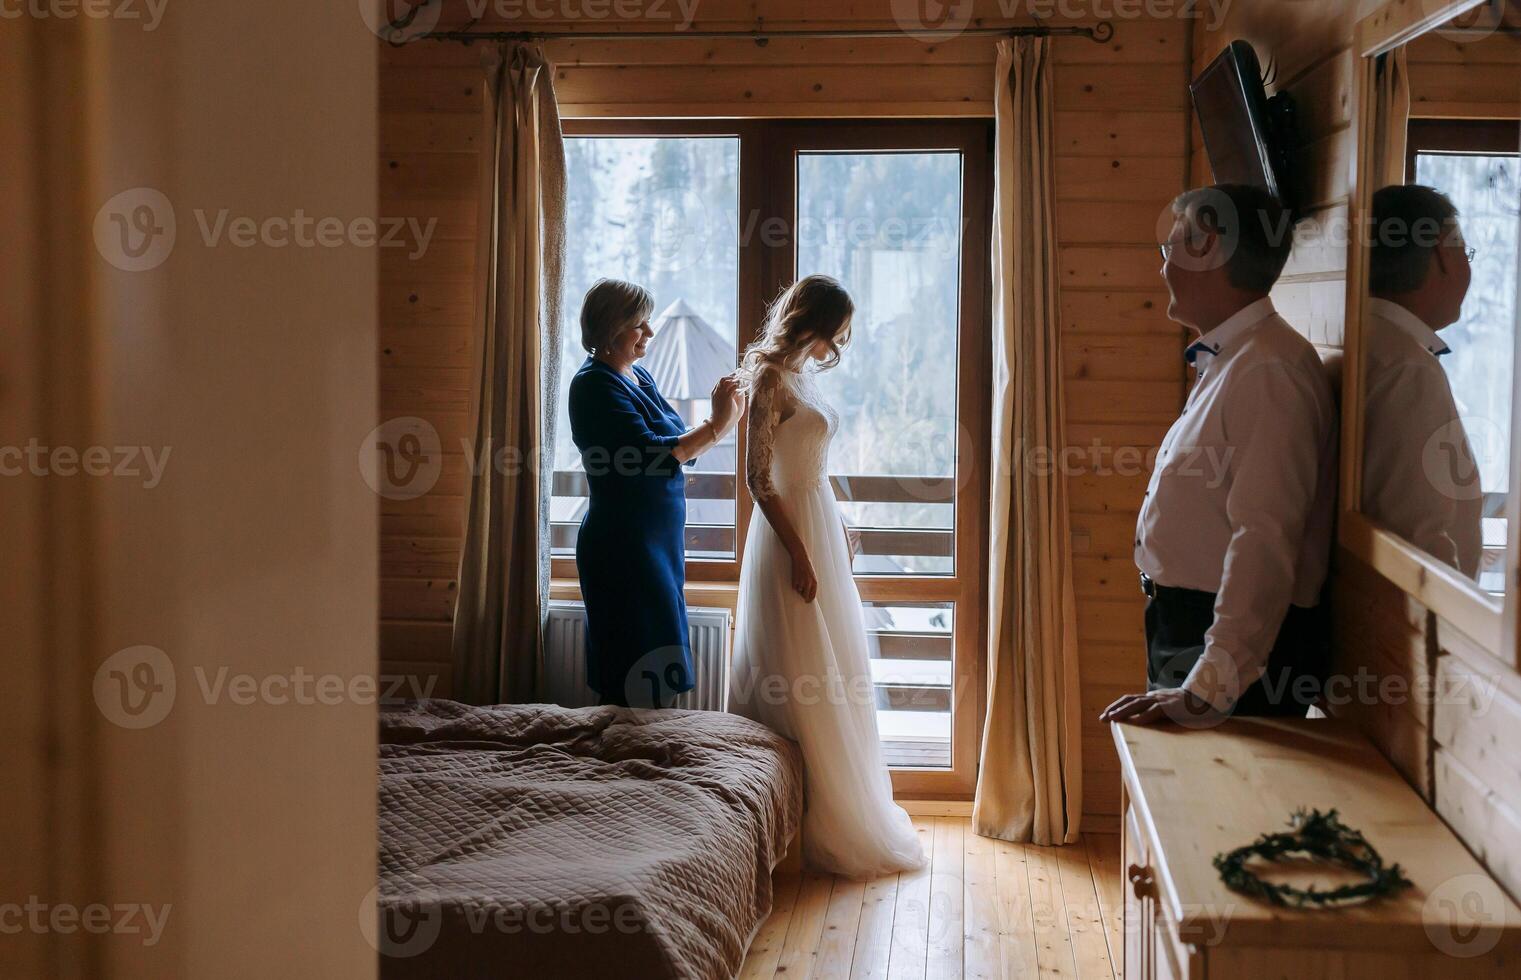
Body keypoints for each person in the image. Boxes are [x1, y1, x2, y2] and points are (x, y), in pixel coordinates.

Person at [1101, 185, 1337, 726]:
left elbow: (1265, 538)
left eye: (1173, 247)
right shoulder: (1236, 359)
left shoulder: (1269, 372)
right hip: (1189, 630)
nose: (1163, 269)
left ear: (1209, 248)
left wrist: (1211, 684)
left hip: (1226, 649)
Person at [728, 275, 926, 878]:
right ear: (818, 320)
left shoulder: (803, 375)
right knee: (798, 666)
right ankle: (785, 820)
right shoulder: (766, 377)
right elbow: (758, 478)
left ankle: (831, 806)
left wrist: (838, 520)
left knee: (832, 664)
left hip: (817, 523)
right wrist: (801, 553)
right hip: (788, 536)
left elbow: (809, 460)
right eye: (841, 327)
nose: (843, 340)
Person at [568, 278, 744, 707]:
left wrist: (712, 426)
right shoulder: (593, 386)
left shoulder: (638, 377)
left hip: (656, 543)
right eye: (639, 325)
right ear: (612, 327)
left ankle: (646, 760)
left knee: (658, 663)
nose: (649, 333)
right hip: (623, 545)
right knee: (631, 665)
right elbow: (655, 454)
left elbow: (677, 441)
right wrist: (720, 424)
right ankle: (623, 765)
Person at [1362, 184, 1483, 579]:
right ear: (1443, 257)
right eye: (1464, 253)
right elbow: (1421, 537)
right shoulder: (1407, 368)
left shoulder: (1373, 342)